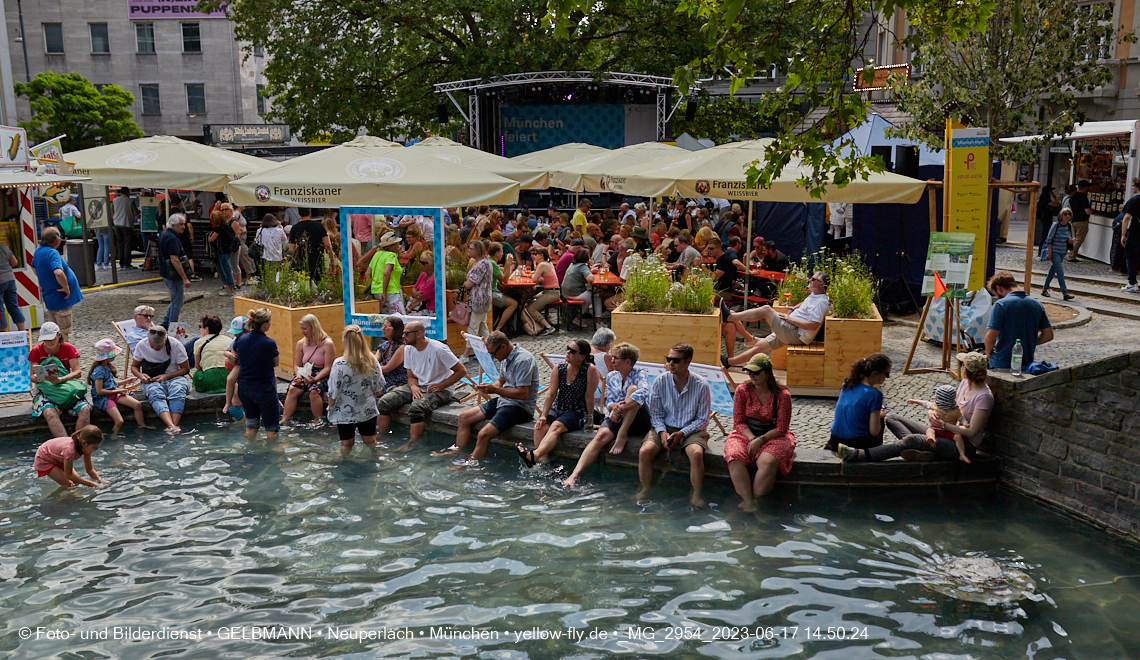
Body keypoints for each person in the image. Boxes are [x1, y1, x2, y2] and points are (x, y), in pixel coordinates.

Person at [848, 352, 994, 463]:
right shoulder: (965, 384)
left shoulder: (984, 397)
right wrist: (932, 412)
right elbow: (947, 407)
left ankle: (862, 454)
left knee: (912, 440)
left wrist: (944, 425)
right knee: (892, 418)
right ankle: (920, 450)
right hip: (943, 432)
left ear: (966, 370)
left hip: (962, 444)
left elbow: (971, 431)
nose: (960, 367)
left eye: (962, 365)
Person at [437, 332, 541, 467]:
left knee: (483, 434)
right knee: (464, 417)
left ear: (503, 347)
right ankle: (458, 451)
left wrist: (495, 390)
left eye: (493, 353)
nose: (492, 357)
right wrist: (489, 387)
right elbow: (501, 381)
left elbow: (522, 394)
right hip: (504, 400)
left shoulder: (523, 360)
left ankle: (470, 465)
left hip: (520, 407)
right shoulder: (505, 356)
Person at [562, 342, 651, 487]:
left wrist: (621, 407)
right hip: (617, 416)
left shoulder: (640, 373)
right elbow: (609, 400)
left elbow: (643, 393)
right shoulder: (612, 376)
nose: (612, 360)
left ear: (627, 361)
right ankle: (574, 475)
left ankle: (622, 434)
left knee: (633, 390)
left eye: (615, 358)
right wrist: (613, 407)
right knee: (599, 436)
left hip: (638, 419)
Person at [376, 320, 468, 452]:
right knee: (384, 402)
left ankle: (413, 444)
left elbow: (462, 370)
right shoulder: (408, 349)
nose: (403, 336)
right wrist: (413, 387)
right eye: (403, 333)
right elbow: (411, 376)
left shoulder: (439, 349)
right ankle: (381, 436)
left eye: (406, 334)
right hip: (418, 385)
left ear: (418, 334)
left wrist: (441, 385)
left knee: (416, 407)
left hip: (440, 389)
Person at [638, 343, 711, 506]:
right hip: (665, 425)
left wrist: (682, 433)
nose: (670, 363)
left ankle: (696, 494)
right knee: (644, 451)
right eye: (669, 359)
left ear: (688, 361)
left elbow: (703, 420)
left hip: (692, 429)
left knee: (696, 454)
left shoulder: (701, 385)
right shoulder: (659, 381)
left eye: (675, 360)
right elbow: (655, 414)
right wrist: (662, 432)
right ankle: (645, 489)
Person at [725, 354, 796, 511]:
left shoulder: (782, 395)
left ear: (767, 373)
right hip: (746, 433)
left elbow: (781, 428)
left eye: (756, 372)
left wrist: (761, 439)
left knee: (768, 462)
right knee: (734, 457)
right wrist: (752, 438)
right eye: (749, 371)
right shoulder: (742, 390)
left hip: (774, 436)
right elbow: (738, 422)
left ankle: (758, 501)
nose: (751, 375)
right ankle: (747, 501)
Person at [521, 339, 599, 468]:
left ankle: (535, 455)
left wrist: (589, 419)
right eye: (568, 348)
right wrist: (543, 415)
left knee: (556, 426)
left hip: (577, 410)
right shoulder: (559, 368)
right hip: (558, 407)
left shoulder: (590, 370)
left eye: (572, 351)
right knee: (539, 427)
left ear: (582, 356)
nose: (568, 352)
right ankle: (544, 464)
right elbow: (551, 394)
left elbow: (589, 396)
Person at [725, 271, 830, 366]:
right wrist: (793, 308)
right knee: (760, 346)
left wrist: (789, 319)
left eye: (813, 279)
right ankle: (729, 362)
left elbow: (813, 325)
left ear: (821, 284)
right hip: (792, 329)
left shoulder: (820, 303)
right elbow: (806, 302)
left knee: (766, 310)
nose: (810, 280)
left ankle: (730, 316)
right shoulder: (816, 295)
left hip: (796, 334)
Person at [328, 325, 387, 457]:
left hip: (344, 410)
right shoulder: (372, 360)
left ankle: (342, 463)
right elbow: (379, 387)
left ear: (345, 340)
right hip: (367, 408)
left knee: (346, 444)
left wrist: (330, 407)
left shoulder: (339, 364)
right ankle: (377, 459)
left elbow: (333, 391)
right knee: (370, 440)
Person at [29, 321, 92, 438]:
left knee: (85, 410)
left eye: (52, 339)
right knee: (50, 414)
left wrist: (62, 379)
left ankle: (78, 441)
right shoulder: (36, 350)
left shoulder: (68, 348)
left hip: (66, 386)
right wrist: (40, 378)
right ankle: (66, 444)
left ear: (59, 335)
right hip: (45, 389)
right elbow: (32, 376)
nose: (49, 342)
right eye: (46, 340)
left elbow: (78, 372)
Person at [231, 308, 281, 440]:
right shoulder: (269, 342)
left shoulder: (241, 339)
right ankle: (271, 451)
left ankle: (250, 448)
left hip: (245, 389)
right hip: (264, 389)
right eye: (269, 322)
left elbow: (234, 356)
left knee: (251, 426)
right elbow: (276, 363)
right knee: (271, 429)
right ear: (264, 324)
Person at [985, 270, 1052, 369]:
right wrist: (1030, 343)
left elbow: (990, 337)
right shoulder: (1037, 304)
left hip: (1002, 361)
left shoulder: (1001, 305)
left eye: (997, 294)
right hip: (1026, 361)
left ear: (998, 288)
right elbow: (1048, 335)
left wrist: (988, 353)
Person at [131, 325, 191, 432]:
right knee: (155, 392)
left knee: (178, 390)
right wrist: (140, 375)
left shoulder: (175, 344)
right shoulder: (141, 345)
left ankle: (174, 425)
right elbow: (134, 366)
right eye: (152, 346)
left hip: (174, 377)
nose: (155, 348)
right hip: (152, 379)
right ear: (148, 339)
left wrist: (166, 376)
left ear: (165, 340)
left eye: (159, 346)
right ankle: (171, 425)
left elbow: (185, 369)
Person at [828, 352, 891, 454]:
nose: (887, 377)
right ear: (875, 374)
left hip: (835, 439)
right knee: (880, 420)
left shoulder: (848, 384)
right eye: (886, 374)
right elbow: (874, 431)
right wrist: (879, 415)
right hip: (856, 442)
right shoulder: (874, 394)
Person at [280, 313, 336, 426]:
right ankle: (285, 418)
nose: (302, 331)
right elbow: (297, 364)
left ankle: (317, 419)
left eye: (305, 328)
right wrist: (298, 376)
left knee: (314, 391)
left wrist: (315, 379)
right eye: (301, 328)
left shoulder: (327, 343)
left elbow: (328, 367)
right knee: (292, 389)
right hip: (305, 372)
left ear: (313, 327)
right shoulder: (301, 343)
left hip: (322, 374)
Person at [32, 227, 82, 344]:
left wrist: (44, 278)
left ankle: (55, 350)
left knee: (54, 330)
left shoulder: (38, 251)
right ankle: (64, 352)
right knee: (63, 331)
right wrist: (66, 287)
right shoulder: (52, 252)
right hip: (60, 298)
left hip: (50, 297)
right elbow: (58, 272)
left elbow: (33, 266)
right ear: (57, 240)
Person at [88, 339, 146, 434]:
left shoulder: (107, 366)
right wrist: (118, 391)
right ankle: (114, 435)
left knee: (137, 405)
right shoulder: (99, 370)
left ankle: (142, 426)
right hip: (104, 398)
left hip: (113, 393)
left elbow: (110, 384)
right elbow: (100, 391)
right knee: (119, 421)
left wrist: (126, 381)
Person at [903, 383, 969, 463]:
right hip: (936, 429)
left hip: (949, 431)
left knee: (958, 436)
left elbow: (961, 418)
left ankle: (962, 454)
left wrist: (965, 423)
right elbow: (924, 403)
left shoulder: (955, 410)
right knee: (930, 430)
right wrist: (915, 401)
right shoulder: (938, 406)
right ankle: (932, 439)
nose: (935, 398)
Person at [34, 426, 105, 488]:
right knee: (69, 485)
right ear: (84, 443)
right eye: (94, 447)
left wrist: (100, 480)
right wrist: (91, 484)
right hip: (44, 458)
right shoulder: (70, 450)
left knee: (76, 483)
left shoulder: (85, 447)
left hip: (58, 457)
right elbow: (69, 475)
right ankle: (51, 499)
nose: (96, 449)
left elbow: (89, 469)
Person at [158, 214, 192, 325]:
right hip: (173, 274)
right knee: (177, 301)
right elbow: (175, 260)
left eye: (184, 224)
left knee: (177, 299)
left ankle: (165, 323)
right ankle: (172, 327)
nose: (183, 227)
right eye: (181, 224)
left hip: (166, 272)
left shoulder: (164, 233)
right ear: (173, 225)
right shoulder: (172, 238)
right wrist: (185, 278)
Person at [462, 240, 493, 355]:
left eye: (471, 249)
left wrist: (465, 284)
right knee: (482, 328)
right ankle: (489, 351)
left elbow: (469, 283)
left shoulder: (481, 264)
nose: (469, 251)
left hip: (478, 300)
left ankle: (465, 355)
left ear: (478, 250)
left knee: (472, 328)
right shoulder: (486, 262)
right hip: (484, 299)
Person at [289, 208, 334, 282]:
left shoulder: (295, 228)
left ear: (299, 213)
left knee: (305, 283)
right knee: (319, 282)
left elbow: (291, 249)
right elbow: (327, 245)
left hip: (303, 260)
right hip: (318, 260)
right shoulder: (319, 226)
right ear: (310, 212)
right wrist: (332, 260)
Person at [364, 232, 405, 314]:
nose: (397, 246)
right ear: (390, 246)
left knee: (386, 317)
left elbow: (367, 273)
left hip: (376, 291)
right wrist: (384, 292)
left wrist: (370, 287)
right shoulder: (391, 255)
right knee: (401, 317)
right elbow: (386, 272)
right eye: (395, 244)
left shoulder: (377, 255)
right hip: (389, 291)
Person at [1041, 208, 1076, 300]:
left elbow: (1068, 237)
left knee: (1053, 271)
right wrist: (1050, 253)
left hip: (1063, 251)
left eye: (1069, 214)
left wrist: (1070, 240)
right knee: (1060, 272)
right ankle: (1065, 293)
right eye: (1065, 214)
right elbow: (1049, 240)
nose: (1067, 216)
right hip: (1055, 251)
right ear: (1061, 215)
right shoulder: (1055, 225)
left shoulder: (1069, 226)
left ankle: (1044, 289)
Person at [191, 315, 232, 393]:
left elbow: (197, 366)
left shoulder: (198, 342)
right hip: (228, 376)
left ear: (207, 329)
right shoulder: (229, 340)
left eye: (200, 326)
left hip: (209, 379)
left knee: (196, 374)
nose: (200, 329)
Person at [524, 246, 560, 336]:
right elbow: (535, 275)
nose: (532, 256)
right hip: (549, 291)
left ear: (541, 255)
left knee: (531, 308)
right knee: (528, 301)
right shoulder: (545, 263)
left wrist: (533, 273)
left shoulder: (542, 265)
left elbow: (534, 278)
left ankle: (548, 327)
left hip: (552, 293)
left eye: (535, 254)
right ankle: (537, 322)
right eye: (532, 254)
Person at [488, 242, 518, 332]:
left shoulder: (490, 261)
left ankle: (498, 324)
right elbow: (505, 278)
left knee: (509, 295)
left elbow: (497, 278)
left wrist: (502, 288)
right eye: (501, 252)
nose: (503, 254)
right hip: (490, 293)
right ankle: (499, 328)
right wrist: (508, 262)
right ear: (497, 253)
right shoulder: (492, 263)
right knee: (513, 303)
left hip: (492, 290)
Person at [562, 247, 599, 317]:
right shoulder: (582, 266)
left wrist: (589, 270)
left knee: (593, 294)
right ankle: (580, 316)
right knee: (596, 296)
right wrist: (589, 267)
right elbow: (591, 279)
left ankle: (579, 315)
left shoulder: (572, 264)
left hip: (565, 293)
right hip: (574, 294)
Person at [207, 210, 236, 297]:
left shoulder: (218, 229)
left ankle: (229, 287)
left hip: (222, 251)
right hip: (226, 251)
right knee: (223, 268)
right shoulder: (226, 227)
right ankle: (228, 286)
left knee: (225, 269)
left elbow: (211, 239)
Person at [375, 316, 407, 393]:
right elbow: (374, 361)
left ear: (396, 329)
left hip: (397, 382)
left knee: (373, 392)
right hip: (384, 378)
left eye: (386, 327)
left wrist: (367, 368)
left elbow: (387, 369)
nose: (383, 328)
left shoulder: (402, 347)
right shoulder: (384, 344)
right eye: (383, 326)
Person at [0, 235, 25, 331]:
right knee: (13, 305)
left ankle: (4, 333)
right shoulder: (3, 246)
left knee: (0, 309)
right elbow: (14, 262)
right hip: (10, 279)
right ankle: (22, 331)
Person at [1120, 177, 1140, 293]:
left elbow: (1127, 217)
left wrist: (1123, 234)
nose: (1132, 188)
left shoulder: (1134, 201)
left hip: (1135, 233)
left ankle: (1132, 283)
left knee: (1131, 258)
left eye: (1133, 186)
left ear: (1137, 187)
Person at [1067, 180, 1092, 261]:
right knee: (1078, 240)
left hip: (1074, 220)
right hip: (1082, 221)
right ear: (1085, 187)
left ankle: (1072, 254)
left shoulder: (1073, 197)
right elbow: (1087, 211)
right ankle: (1072, 256)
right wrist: (1092, 211)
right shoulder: (1084, 198)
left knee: (1075, 239)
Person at [112, 187, 135, 269]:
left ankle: (121, 262)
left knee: (120, 244)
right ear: (127, 192)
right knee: (127, 244)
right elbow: (135, 212)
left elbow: (112, 212)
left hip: (117, 225)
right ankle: (127, 263)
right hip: (126, 224)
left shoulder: (114, 201)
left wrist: (114, 219)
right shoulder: (130, 201)